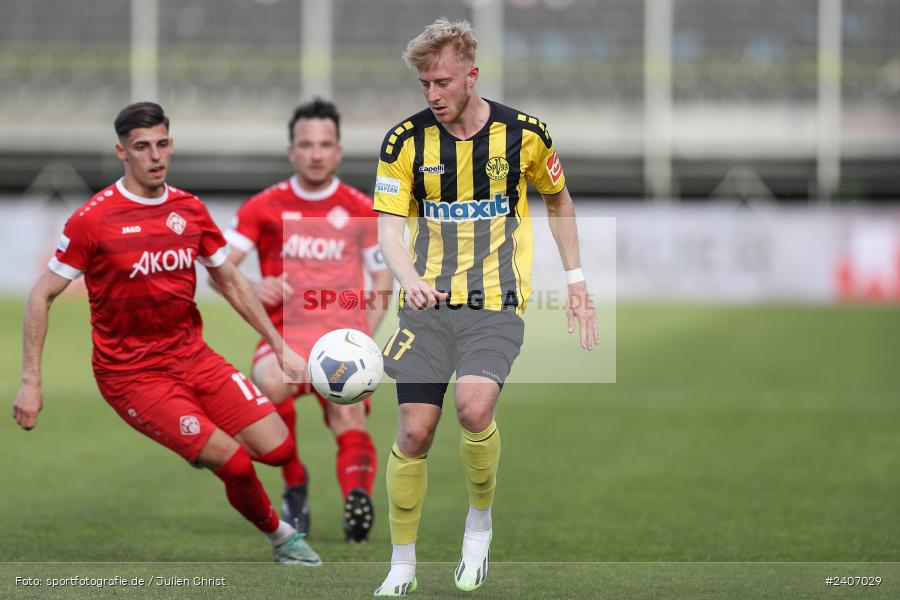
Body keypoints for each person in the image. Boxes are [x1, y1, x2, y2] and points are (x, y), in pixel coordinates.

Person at [11, 102, 321, 566]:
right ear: (122, 152)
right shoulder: (93, 220)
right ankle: (282, 537)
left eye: (161, 144)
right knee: (233, 462)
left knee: (278, 449)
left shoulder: (189, 210)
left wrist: (280, 347)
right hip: (132, 374)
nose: (154, 156)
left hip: (193, 355)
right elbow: (41, 295)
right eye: (141, 147)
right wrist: (31, 381)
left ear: (170, 145)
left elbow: (231, 280)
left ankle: (214, 444)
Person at [372, 19, 599, 595]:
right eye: (424, 84)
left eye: (442, 82)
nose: (432, 95)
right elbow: (390, 232)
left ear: (471, 75)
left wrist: (575, 280)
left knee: (474, 411)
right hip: (427, 304)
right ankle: (402, 565)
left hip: (496, 302)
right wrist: (410, 279)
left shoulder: (525, 134)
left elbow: (558, 200)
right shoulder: (404, 142)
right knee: (416, 432)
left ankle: (479, 523)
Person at [220, 98, 393, 542]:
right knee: (270, 383)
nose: (316, 153)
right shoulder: (263, 207)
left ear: (338, 151)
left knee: (348, 415)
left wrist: (363, 343)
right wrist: (255, 285)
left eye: (325, 144)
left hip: (342, 338)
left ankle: (357, 502)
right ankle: (295, 485)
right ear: (291, 150)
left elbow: (381, 280)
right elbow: (221, 269)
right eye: (306, 144)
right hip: (283, 336)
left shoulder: (361, 208)